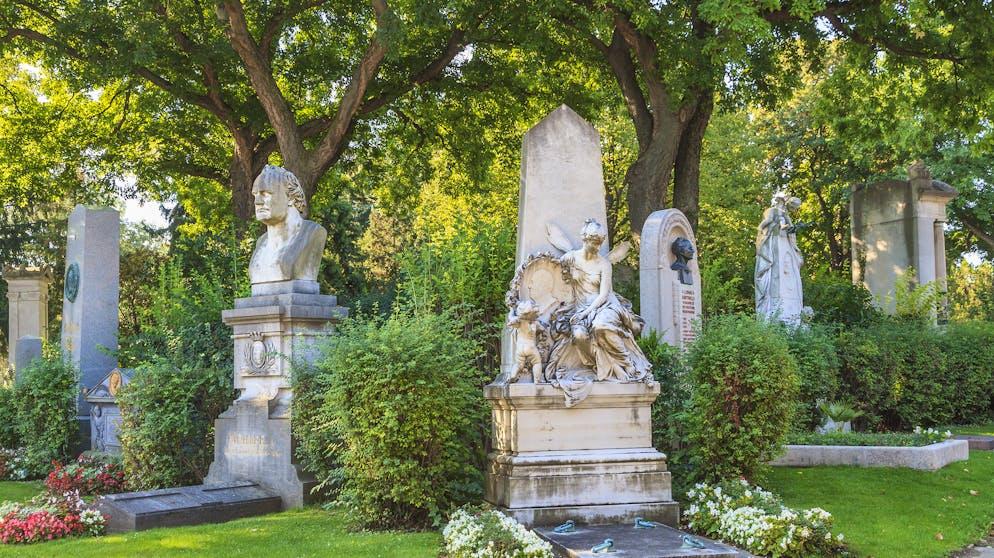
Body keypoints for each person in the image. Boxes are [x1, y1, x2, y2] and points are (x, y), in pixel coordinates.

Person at [545, 219, 652, 391]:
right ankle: (602, 365)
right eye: (593, 243)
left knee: (601, 327)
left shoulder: (604, 264)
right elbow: (554, 275)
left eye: (598, 244)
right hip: (579, 308)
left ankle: (625, 362)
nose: (596, 248)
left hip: (603, 306)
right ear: (584, 239)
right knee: (579, 336)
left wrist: (586, 312)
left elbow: (603, 294)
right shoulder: (571, 258)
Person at [248, 165, 327, 286]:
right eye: (255, 195)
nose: (257, 202)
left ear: (290, 197)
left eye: (266, 194)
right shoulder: (261, 242)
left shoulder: (313, 233)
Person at [754, 193, 804, 320]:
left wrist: (792, 229)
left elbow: (790, 225)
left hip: (784, 240)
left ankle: (792, 314)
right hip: (775, 240)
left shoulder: (783, 213)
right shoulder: (773, 211)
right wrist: (762, 230)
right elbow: (769, 222)